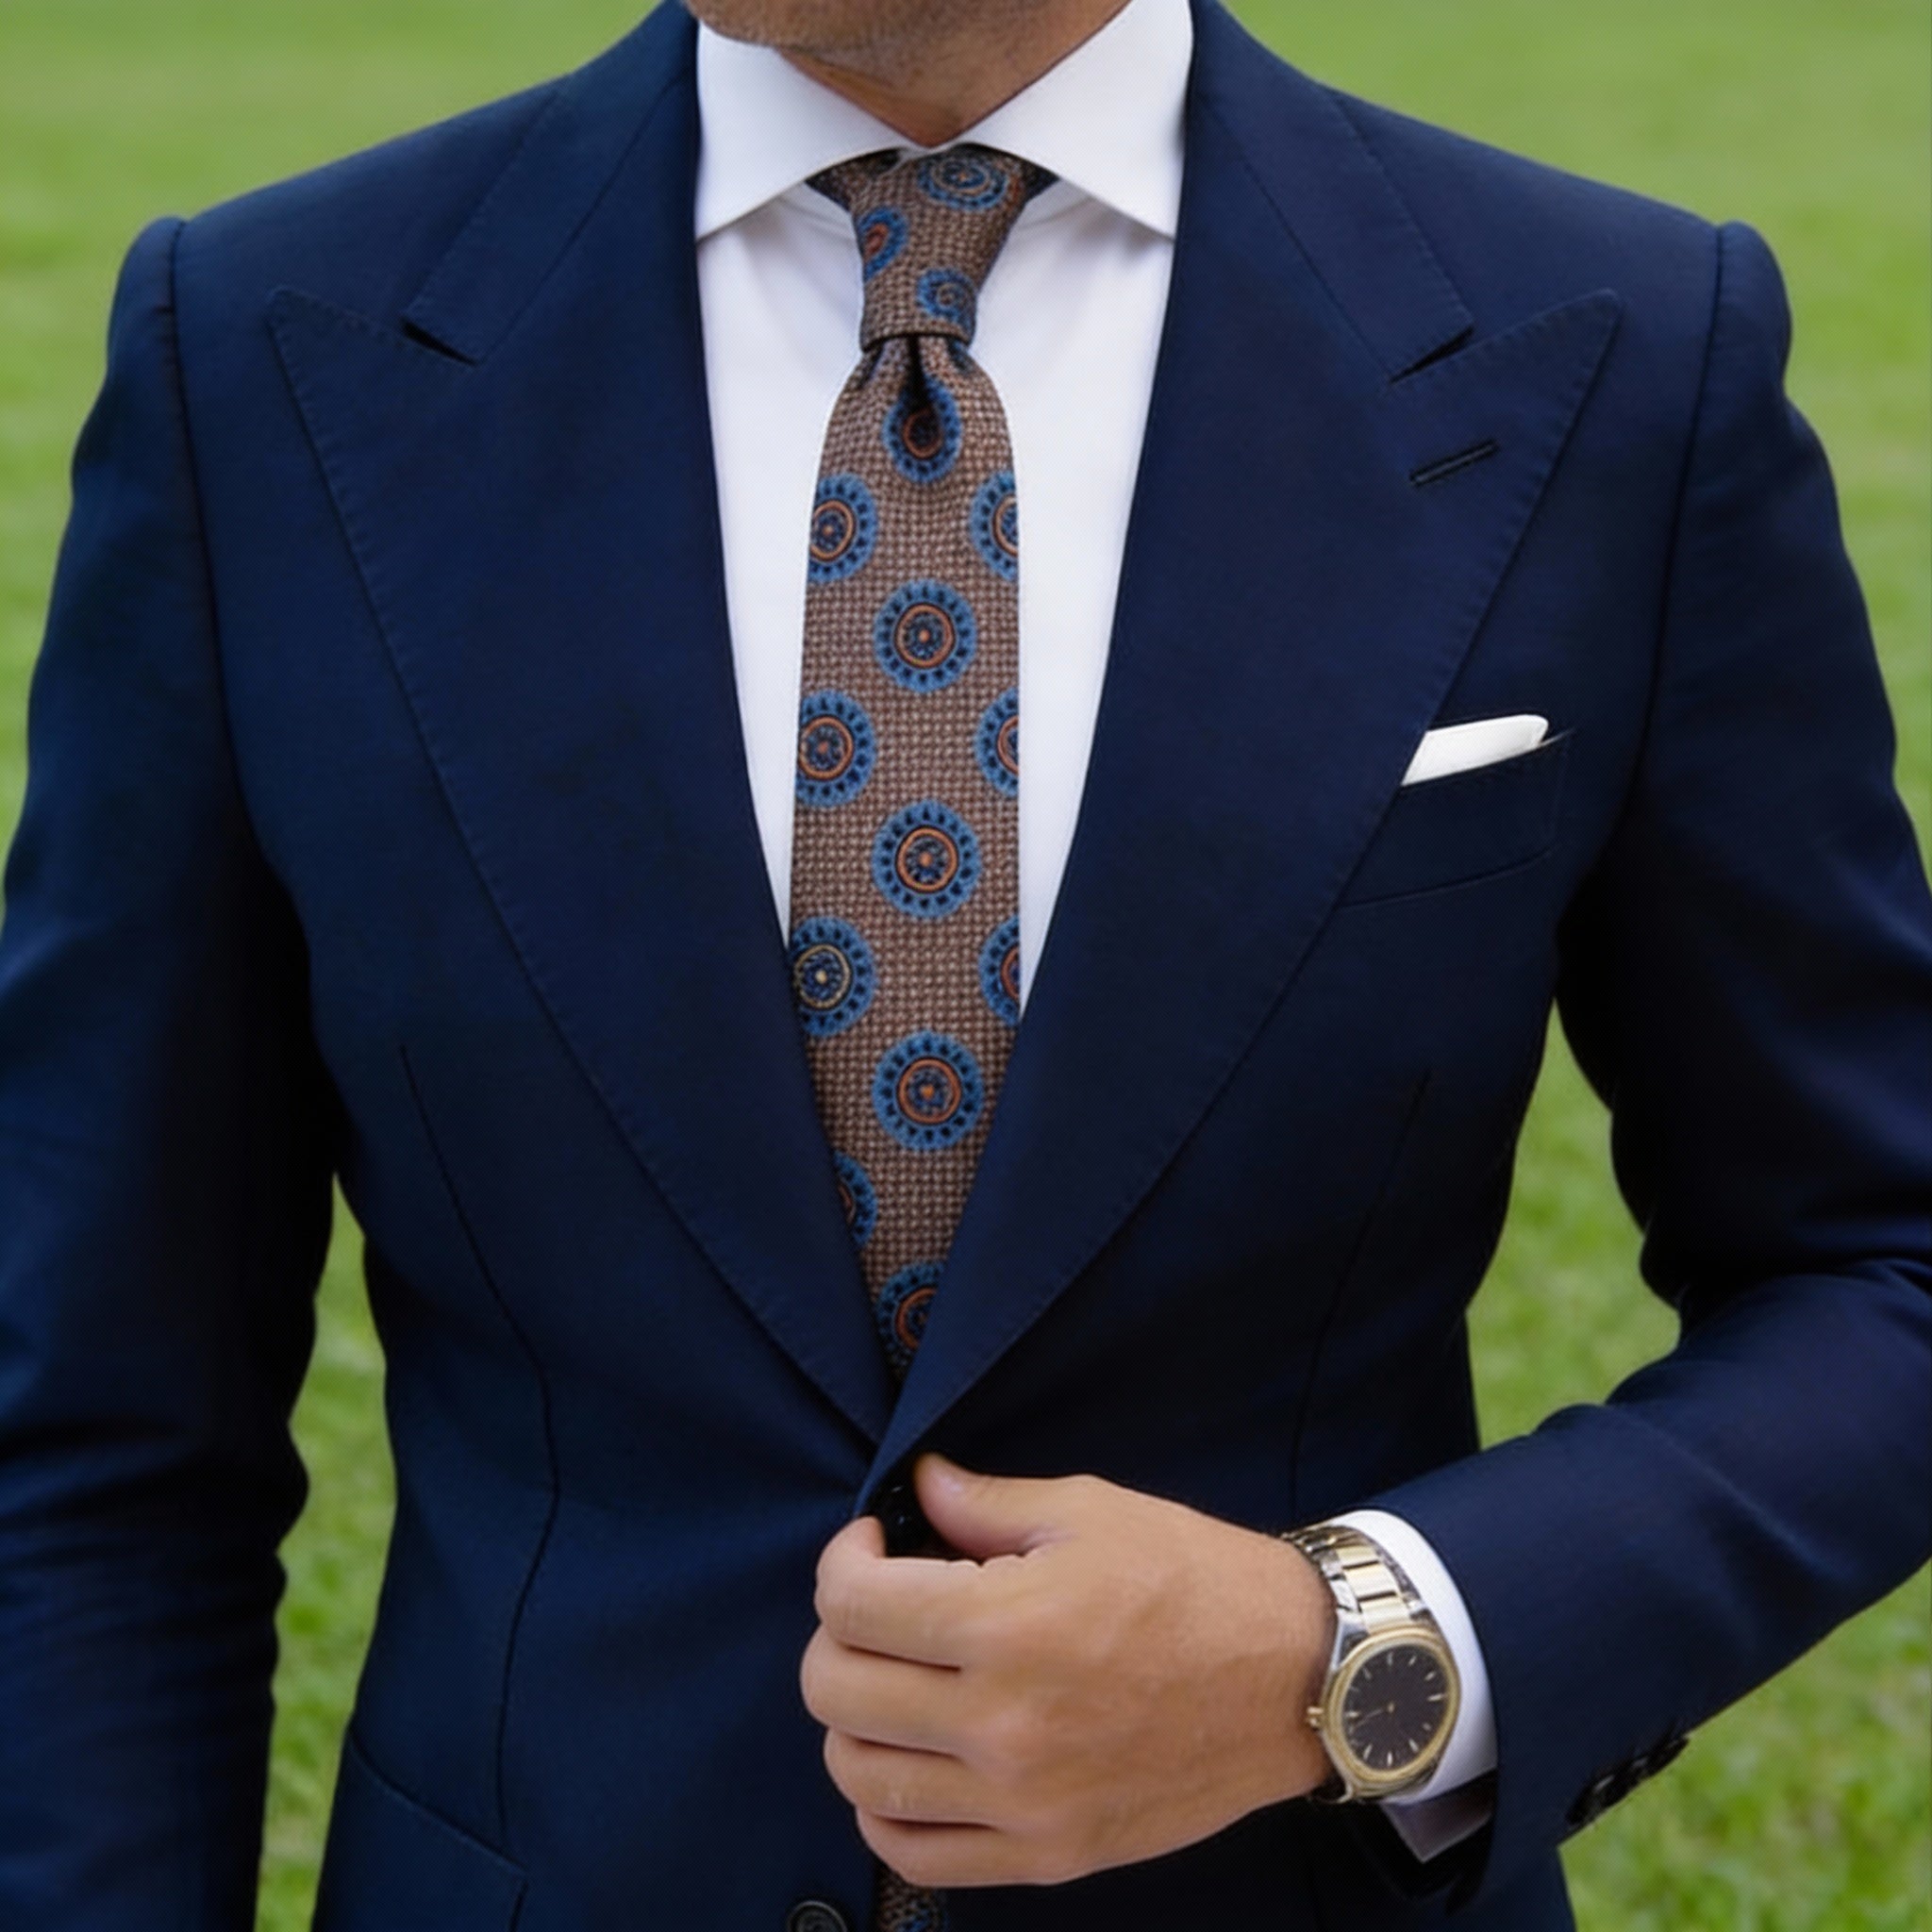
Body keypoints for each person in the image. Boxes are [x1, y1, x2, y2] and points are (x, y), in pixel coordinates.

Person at [0, 0, 1924, 1924]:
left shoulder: (1615, 346)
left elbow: (1880, 1259)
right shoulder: (255, 350)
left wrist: (1341, 1649)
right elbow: (97, 1424)